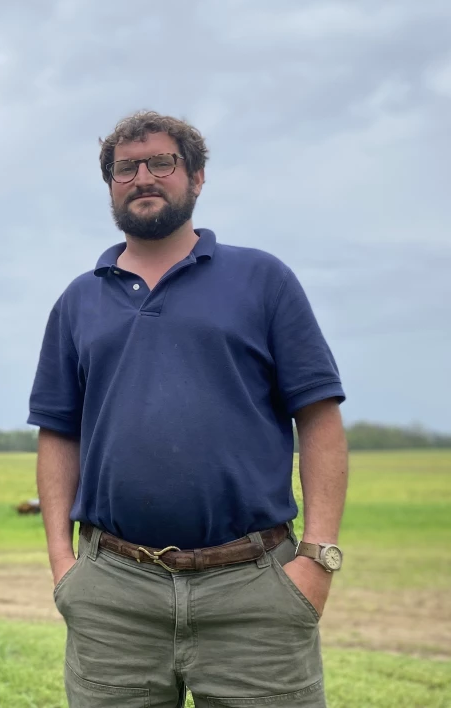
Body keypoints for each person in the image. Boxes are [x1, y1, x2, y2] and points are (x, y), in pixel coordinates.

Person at [28, 111, 348, 708]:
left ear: (197, 178)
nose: (143, 176)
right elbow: (58, 433)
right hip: (113, 594)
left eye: (161, 163)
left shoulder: (263, 280)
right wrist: (63, 565)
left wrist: (317, 560)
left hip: (254, 590)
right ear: (111, 185)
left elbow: (320, 418)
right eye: (126, 167)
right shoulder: (78, 301)